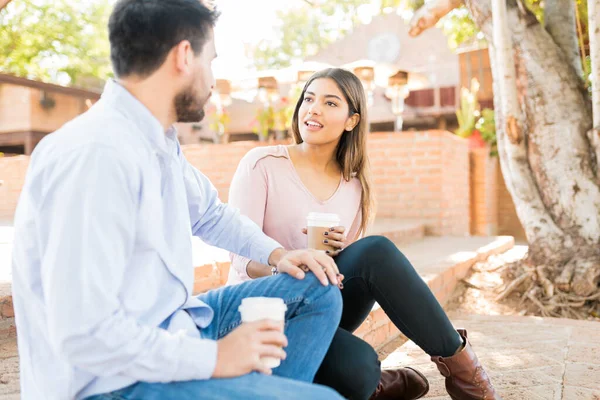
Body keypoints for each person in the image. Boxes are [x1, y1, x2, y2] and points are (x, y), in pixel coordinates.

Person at [10, 1, 347, 399]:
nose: (212, 79)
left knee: (315, 288)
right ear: (185, 56)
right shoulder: (95, 155)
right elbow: (85, 335)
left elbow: (210, 214)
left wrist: (278, 254)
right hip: (112, 382)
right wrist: (216, 359)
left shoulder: (154, 139)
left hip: (175, 323)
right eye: (212, 60)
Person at [226, 68, 501, 400]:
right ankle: (377, 384)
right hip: (263, 310)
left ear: (351, 121)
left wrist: (332, 258)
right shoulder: (262, 164)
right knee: (360, 368)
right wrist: (284, 263)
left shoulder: (354, 185)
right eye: (309, 99)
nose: (313, 109)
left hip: (318, 304)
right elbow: (241, 258)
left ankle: (467, 377)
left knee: (375, 252)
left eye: (330, 103)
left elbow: (353, 273)